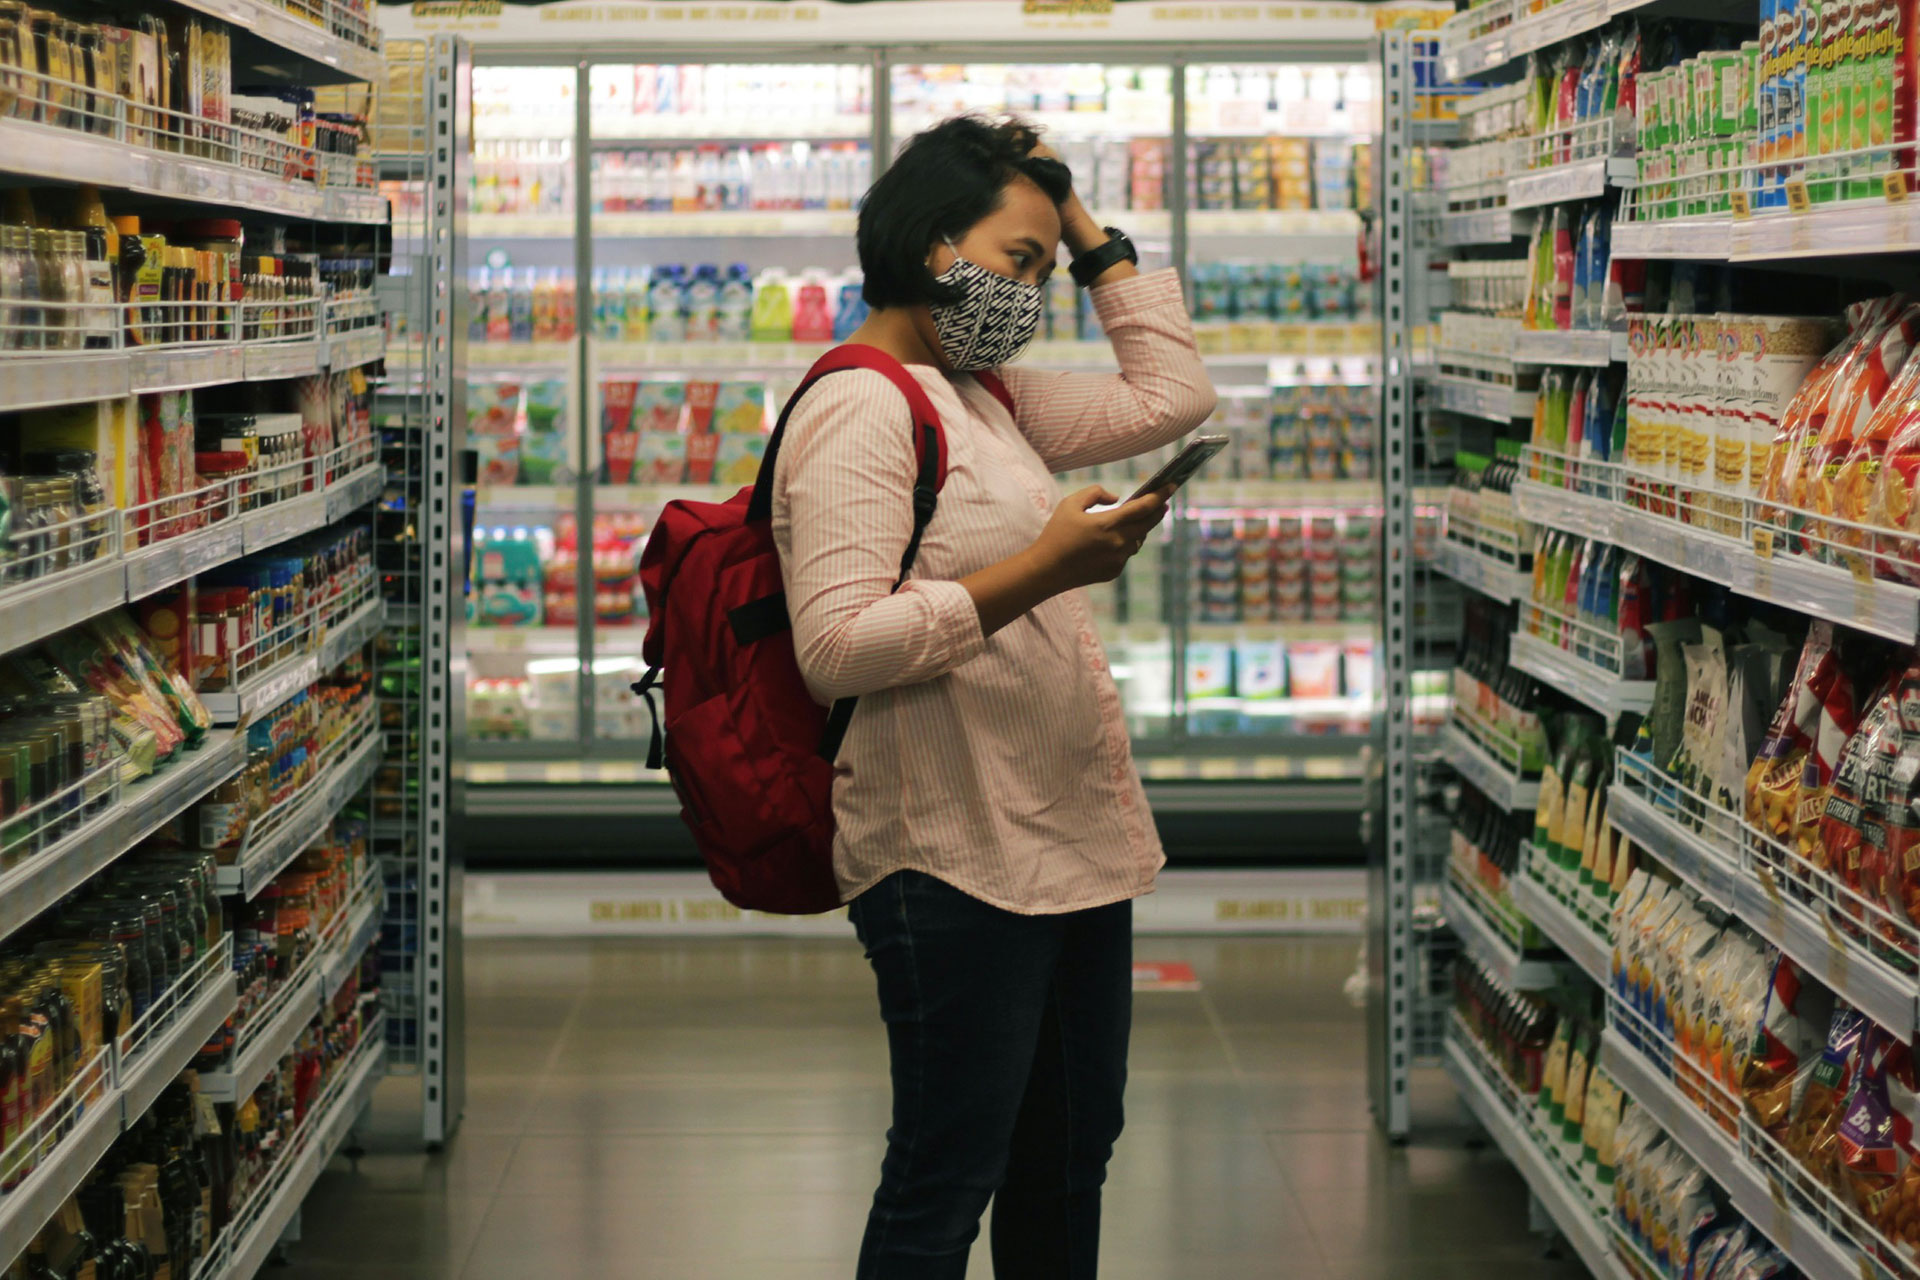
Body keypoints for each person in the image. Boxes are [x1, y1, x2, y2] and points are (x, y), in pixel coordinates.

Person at [769, 115, 1218, 1280]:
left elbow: (1173, 391)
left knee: (1069, 1159)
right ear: (932, 249)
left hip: (1064, 843)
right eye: (1019, 263)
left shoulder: (987, 394)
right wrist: (1045, 571)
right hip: (950, 855)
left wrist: (1076, 222)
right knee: (947, 1173)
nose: (1035, 291)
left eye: (1042, 267)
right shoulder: (862, 406)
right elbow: (836, 645)